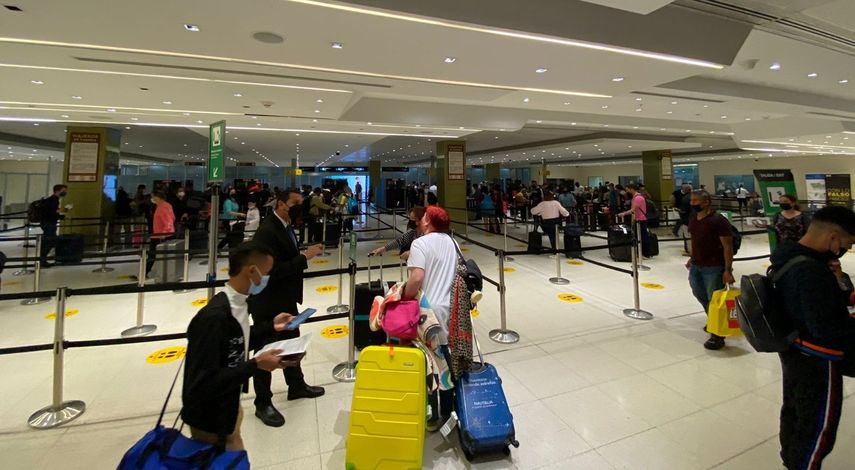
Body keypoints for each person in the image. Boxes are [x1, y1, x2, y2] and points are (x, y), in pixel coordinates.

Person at [182, 242, 303, 451]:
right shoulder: (214, 318)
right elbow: (203, 383)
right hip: (210, 417)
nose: (267, 278)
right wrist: (256, 364)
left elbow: (238, 341)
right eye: (266, 272)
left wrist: (272, 326)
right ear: (252, 271)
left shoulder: (239, 305)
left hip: (229, 405)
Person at [771, 205, 855, 469]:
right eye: (847, 243)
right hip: (818, 360)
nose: (845, 249)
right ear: (832, 237)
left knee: (795, 413)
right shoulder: (810, 271)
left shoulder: (788, 256)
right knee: (818, 428)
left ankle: (791, 460)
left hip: (793, 351)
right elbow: (826, 328)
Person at [248, 191, 325, 427]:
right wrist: (305, 257)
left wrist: (302, 253)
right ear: (281, 204)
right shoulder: (267, 230)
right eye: (294, 204)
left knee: (292, 341)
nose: (298, 208)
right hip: (268, 301)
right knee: (266, 350)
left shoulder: (284, 225)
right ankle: (262, 402)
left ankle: (296, 385)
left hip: (284, 298)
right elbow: (270, 270)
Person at [402, 206, 458, 429]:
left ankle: (432, 416)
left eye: (424, 217)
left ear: (428, 222)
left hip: (427, 312)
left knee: (428, 362)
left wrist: (403, 295)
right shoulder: (451, 242)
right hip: (447, 307)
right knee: (445, 359)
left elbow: (416, 278)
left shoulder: (420, 243)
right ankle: (449, 411)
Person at [686, 190, 735, 350]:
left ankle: (718, 334)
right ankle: (713, 320)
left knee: (714, 299)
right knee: (698, 292)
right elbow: (695, 241)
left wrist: (728, 270)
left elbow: (728, 247)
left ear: (706, 202)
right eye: (691, 200)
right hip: (696, 265)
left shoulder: (718, 221)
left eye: (695, 201)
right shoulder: (694, 219)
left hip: (713, 267)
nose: (692, 203)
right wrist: (692, 258)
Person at [142, 190, 175, 279]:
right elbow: (172, 218)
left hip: (160, 235)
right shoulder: (164, 206)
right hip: (160, 234)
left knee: (152, 255)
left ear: (157, 197)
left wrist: (163, 233)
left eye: (153, 197)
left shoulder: (163, 207)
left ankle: (144, 272)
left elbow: (168, 222)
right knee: (155, 255)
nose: (151, 199)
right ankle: (145, 272)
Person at [38, 184, 69, 268]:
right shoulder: (54, 200)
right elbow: (52, 213)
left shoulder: (51, 200)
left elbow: (52, 212)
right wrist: (61, 215)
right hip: (49, 223)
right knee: (48, 241)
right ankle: (42, 261)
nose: (65, 192)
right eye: (63, 191)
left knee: (48, 241)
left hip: (46, 222)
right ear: (57, 191)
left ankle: (42, 259)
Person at [617, 184, 650, 257]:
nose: (626, 191)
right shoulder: (636, 197)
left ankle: (646, 253)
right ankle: (641, 252)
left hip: (640, 220)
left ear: (632, 189)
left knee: (643, 237)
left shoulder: (638, 198)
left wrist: (624, 213)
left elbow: (633, 210)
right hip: (638, 219)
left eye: (627, 189)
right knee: (639, 236)